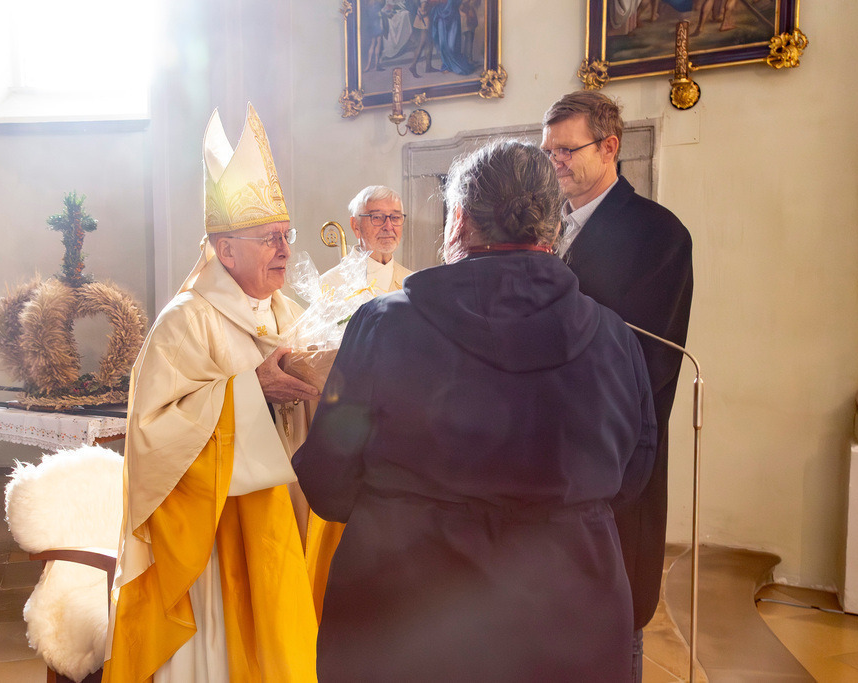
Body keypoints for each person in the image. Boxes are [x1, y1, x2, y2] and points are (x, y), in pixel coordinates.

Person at [293, 140, 657, 681]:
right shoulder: (614, 337)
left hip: (405, 622)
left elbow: (327, 482)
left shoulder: (384, 325)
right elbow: (633, 476)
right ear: (553, 227)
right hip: (568, 620)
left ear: (458, 220)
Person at [103, 104, 342, 682]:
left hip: (283, 513)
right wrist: (249, 392)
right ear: (224, 249)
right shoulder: (185, 321)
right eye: (269, 239)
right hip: (212, 541)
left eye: (285, 235)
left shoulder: (288, 312)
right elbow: (151, 434)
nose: (285, 250)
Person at [541, 90, 694, 680]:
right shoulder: (546, 227)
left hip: (612, 457)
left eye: (567, 150)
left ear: (610, 147)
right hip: (547, 460)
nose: (555, 162)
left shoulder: (657, 234)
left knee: (613, 618)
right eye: (548, 151)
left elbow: (648, 364)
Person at [320, 185, 413, 295]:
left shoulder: (414, 284)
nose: (388, 226)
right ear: (355, 225)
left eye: (396, 217)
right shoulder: (329, 284)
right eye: (377, 217)